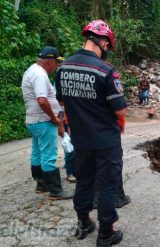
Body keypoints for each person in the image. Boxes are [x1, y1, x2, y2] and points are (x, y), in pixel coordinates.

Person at [55, 20, 127, 246]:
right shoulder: (106, 71)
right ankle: (107, 232)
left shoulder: (63, 68)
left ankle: (84, 221)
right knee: (107, 184)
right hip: (106, 140)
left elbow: (62, 102)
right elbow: (121, 109)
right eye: (108, 45)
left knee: (84, 181)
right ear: (103, 42)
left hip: (81, 139)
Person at [21, 46, 73, 200]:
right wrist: (54, 118)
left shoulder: (32, 70)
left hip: (34, 121)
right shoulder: (39, 74)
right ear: (50, 61)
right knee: (49, 155)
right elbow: (42, 100)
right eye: (56, 63)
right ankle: (56, 190)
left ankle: (41, 184)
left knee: (37, 153)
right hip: (43, 121)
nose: (56, 66)